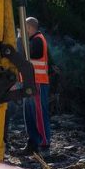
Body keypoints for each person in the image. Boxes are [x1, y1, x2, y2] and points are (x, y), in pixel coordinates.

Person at [21, 16, 51, 156]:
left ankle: (44, 144)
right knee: (29, 115)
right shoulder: (34, 40)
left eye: (24, 27)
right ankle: (32, 143)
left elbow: (33, 55)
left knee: (39, 114)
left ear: (29, 27)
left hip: (38, 82)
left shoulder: (38, 40)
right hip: (31, 82)